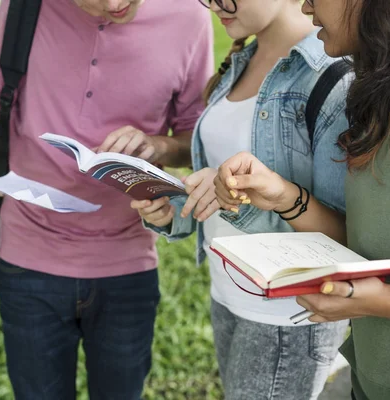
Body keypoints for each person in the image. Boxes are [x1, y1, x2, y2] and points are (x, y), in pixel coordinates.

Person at [213, 0, 390, 399]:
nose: (305, 6)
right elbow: (375, 242)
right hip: (376, 380)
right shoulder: (384, 81)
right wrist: (284, 197)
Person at [0, 0, 213, 398]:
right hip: (27, 260)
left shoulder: (190, 15)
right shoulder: (24, 7)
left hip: (127, 266)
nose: (114, 3)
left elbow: (196, 137)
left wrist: (156, 146)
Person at [132, 0, 352, 398]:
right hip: (229, 291)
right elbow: (220, 183)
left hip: (287, 312)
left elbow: (341, 234)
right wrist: (173, 211)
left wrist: (231, 194)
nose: (214, 5)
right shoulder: (243, 58)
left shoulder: (331, 74)